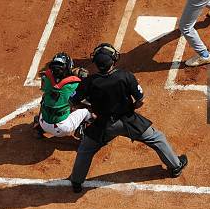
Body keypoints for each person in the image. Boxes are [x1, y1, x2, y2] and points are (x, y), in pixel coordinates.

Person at [68, 43, 187, 193]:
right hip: (129, 121)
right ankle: (175, 167)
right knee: (157, 138)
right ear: (113, 61)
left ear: (96, 64)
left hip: (103, 124)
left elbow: (73, 102)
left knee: (85, 150)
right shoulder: (125, 76)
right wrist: (133, 107)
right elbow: (140, 100)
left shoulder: (89, 82)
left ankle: (76, 182)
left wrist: (91, 107)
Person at [32, 52, 93, 139]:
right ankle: (81, 130)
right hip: (63, 129)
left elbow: (55, 81)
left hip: (44, 123)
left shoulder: (45, 79)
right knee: (87, 110)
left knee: (45, 99)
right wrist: (79, 75)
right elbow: (83, 89)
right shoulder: (73, 84)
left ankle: (38, 127)